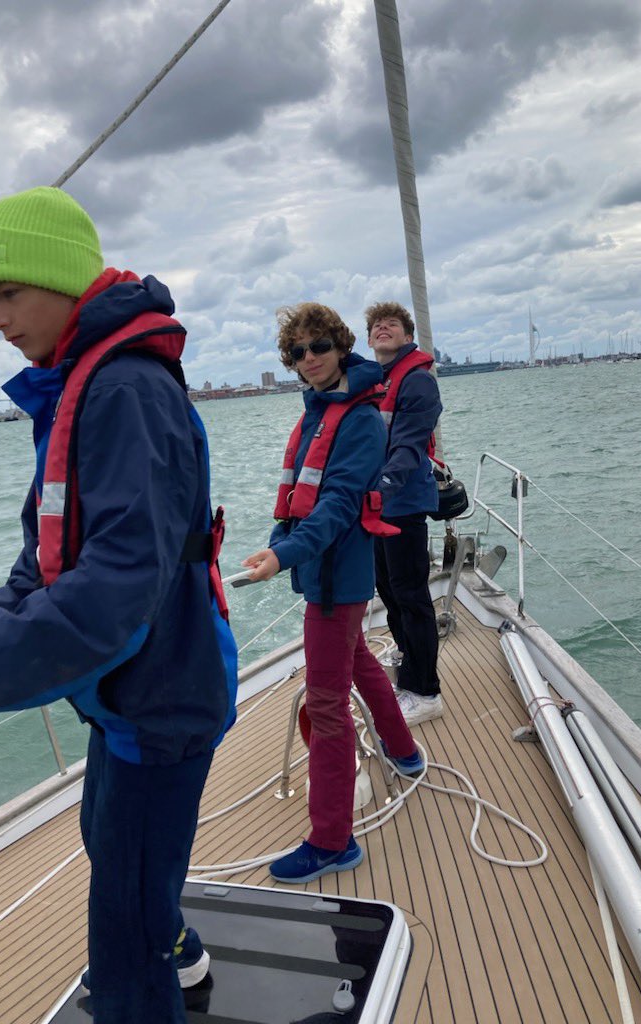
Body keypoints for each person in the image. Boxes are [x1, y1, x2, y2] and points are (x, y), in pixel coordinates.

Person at [0, 186, 237, 1024]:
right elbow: (45, 563)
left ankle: (150, 965)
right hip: (127, 696)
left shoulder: (123, 390)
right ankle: (177, 947)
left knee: (123, 952)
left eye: (5, 294)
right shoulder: (86, 387)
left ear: (60, 282)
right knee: (115, 853)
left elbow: (114, 589)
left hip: (159, 699)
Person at [243, 302, 422, 885]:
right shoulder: (317, 415)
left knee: (325, 703)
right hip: (322, 576)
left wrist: (283, 556)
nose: (309, 358)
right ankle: (405, 752)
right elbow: (297, 501)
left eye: (318, 346)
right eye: (297, 352)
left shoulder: (360, 422)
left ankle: (332, 841)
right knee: (359, 660)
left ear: (341, 346)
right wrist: (276, 543)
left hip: (335, 581)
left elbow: (340, 507)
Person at [365, 301, 444, 725]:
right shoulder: (377, 381)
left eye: (391, 324)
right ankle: (409, 661)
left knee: (411, 597)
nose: (383, 328)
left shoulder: (416, 382)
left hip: (402, 504)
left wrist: (378, 493)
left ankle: (426, 692)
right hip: (378, 505)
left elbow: (409, 446)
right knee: (391, 591)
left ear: (407, 334)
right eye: (376, 325)